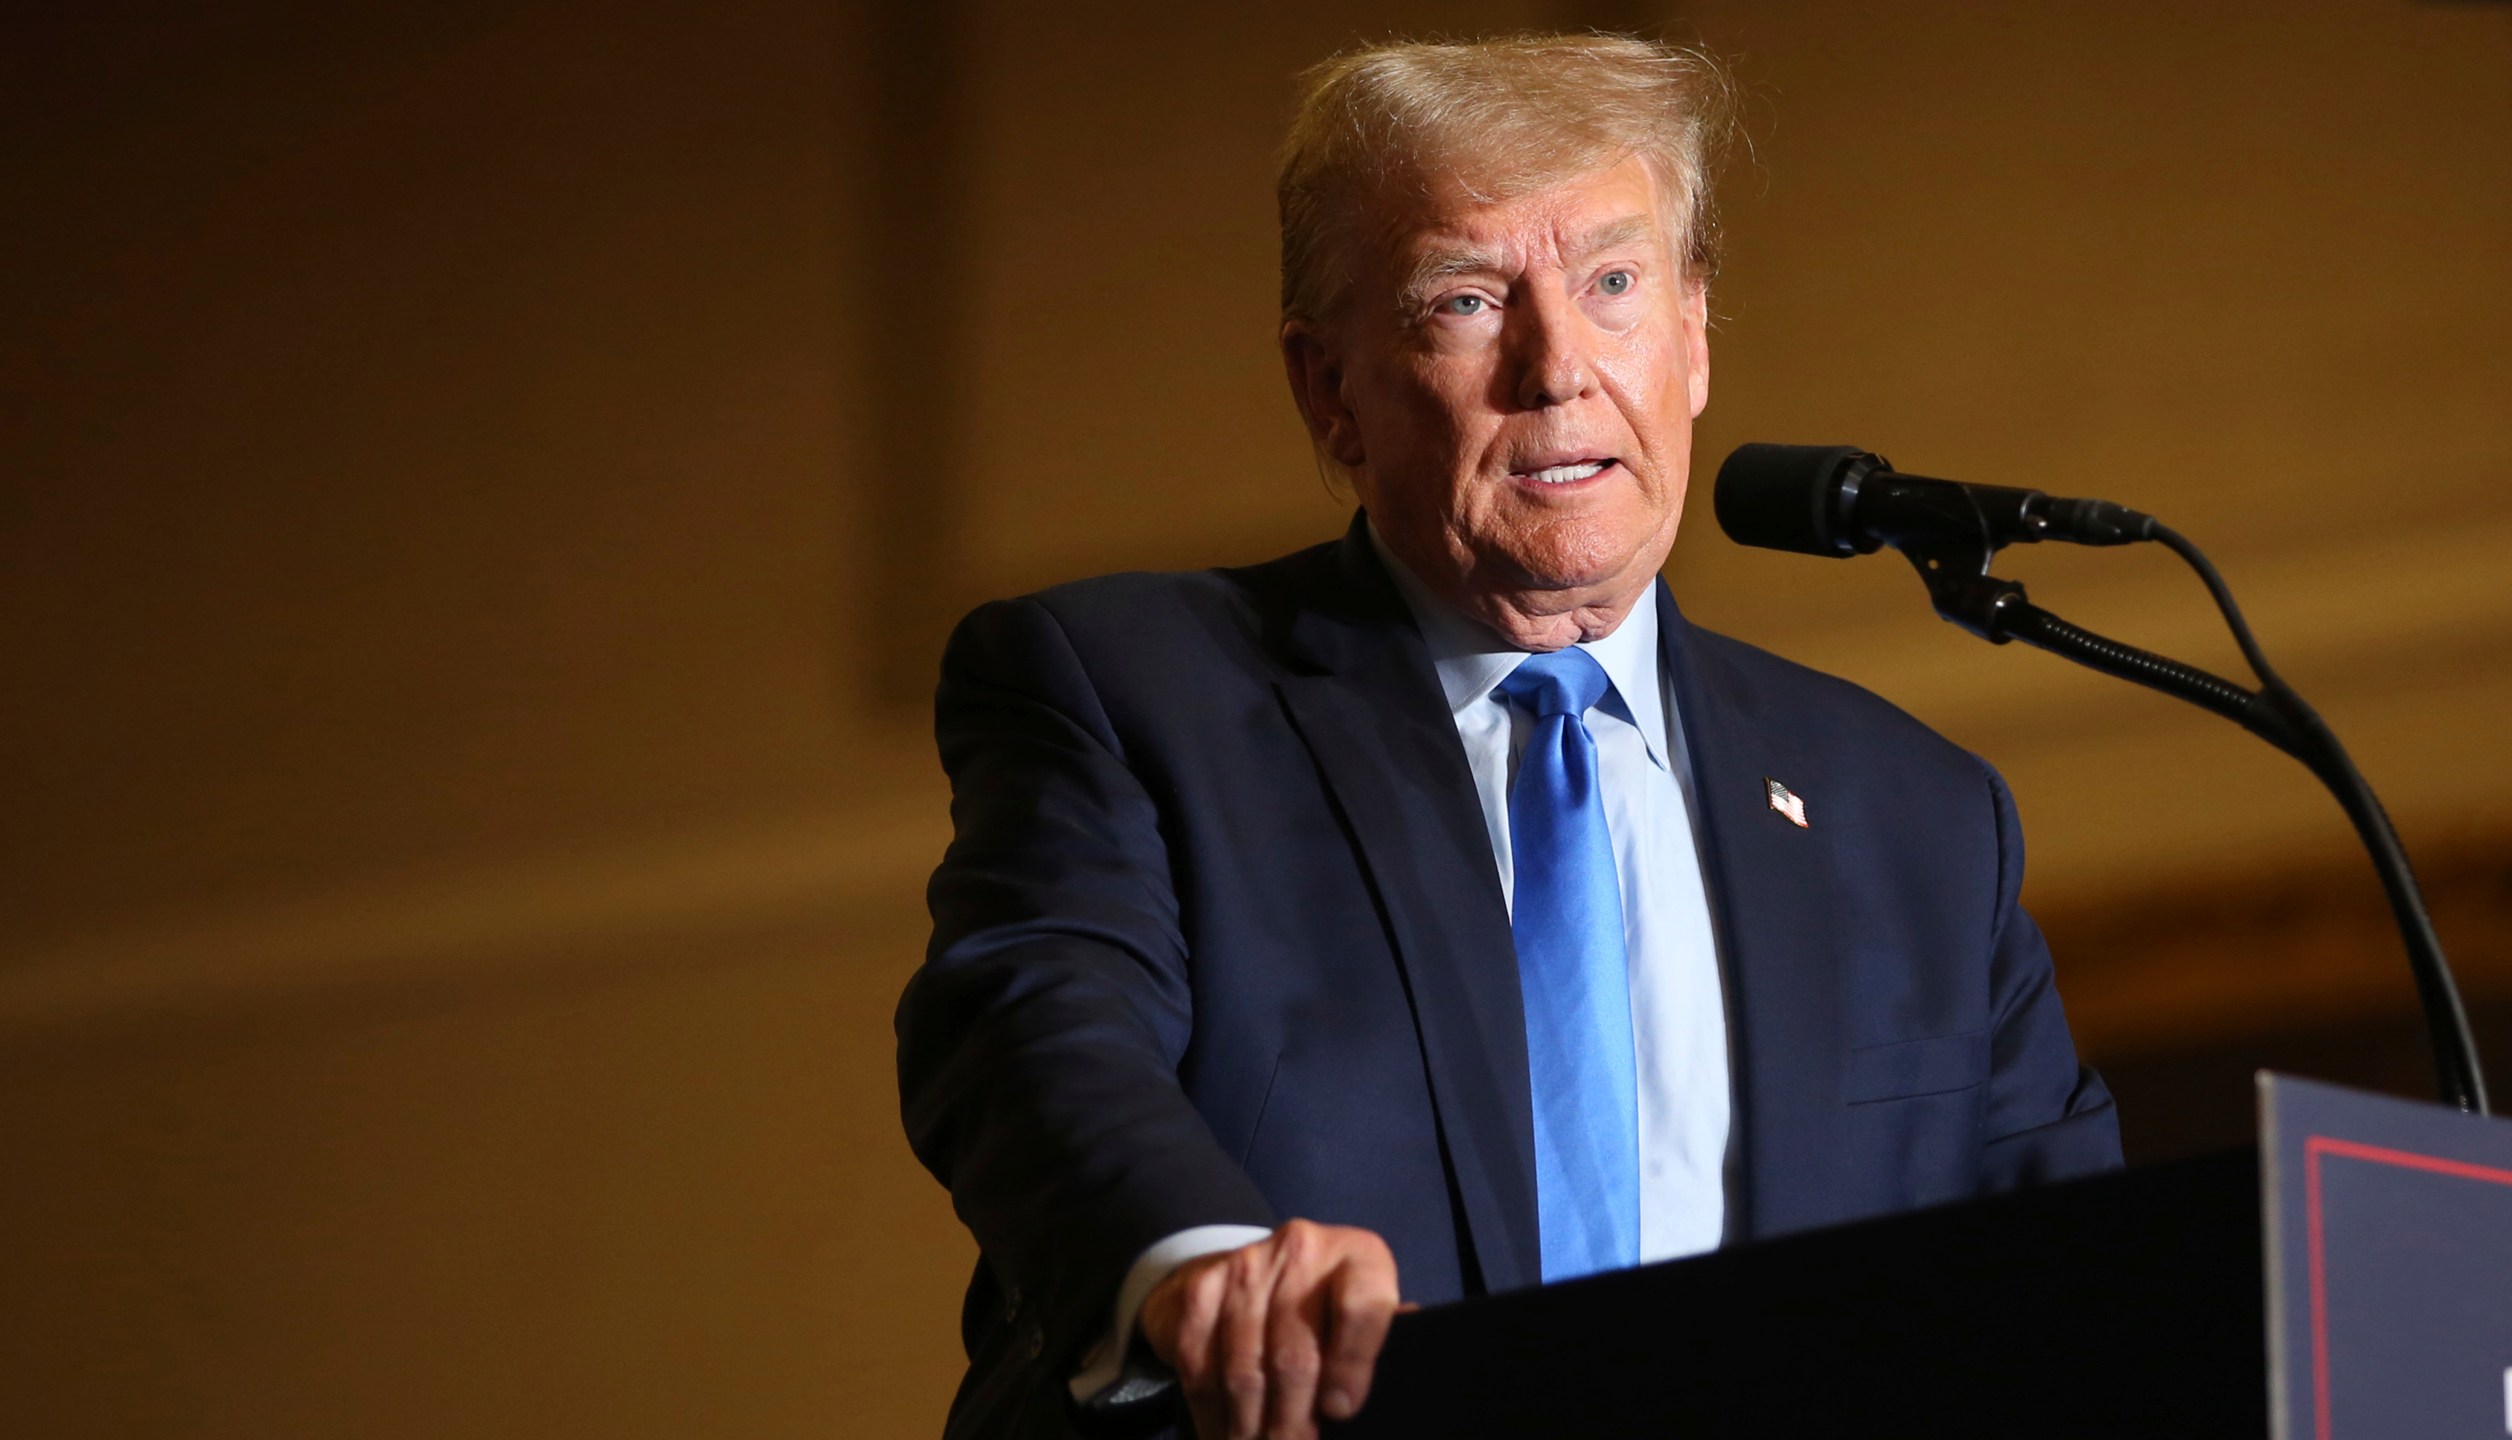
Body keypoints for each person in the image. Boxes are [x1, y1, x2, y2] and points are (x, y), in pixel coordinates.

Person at [897, 33, 2120, 1440]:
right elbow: (1033, 1028)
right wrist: (1199, 1267)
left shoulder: (1913, 812)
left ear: (1696, 332)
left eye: (1612, 285)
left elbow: (2080, 1282)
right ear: (1330, 391)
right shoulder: (1133, 694)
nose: (1557, 370)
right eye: (1468, 301)